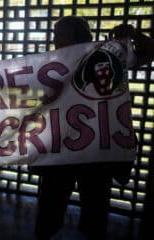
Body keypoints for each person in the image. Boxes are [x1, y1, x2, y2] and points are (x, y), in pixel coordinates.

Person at [30, 16, 154, 240]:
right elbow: (6, 80)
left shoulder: (106, 57)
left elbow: (149, 51)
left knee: (93, 218)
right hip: (64, 151)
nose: (55, 40)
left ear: (76, 36)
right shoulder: (51, 65)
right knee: (49, 214)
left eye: (60, 35)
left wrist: (134, 34)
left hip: (94, 154)